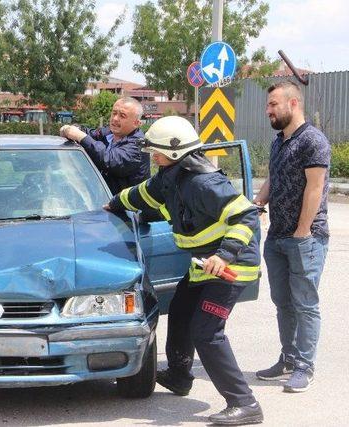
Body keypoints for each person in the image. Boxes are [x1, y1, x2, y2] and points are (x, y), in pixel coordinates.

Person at [104, 116, 263, 425]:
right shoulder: (169, 177)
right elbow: (139, 195)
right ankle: (179, 375)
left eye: (155, 152)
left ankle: (244, 403)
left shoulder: (205, 182)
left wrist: (225, 254)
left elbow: (246, 217)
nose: (152, 157)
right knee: (180, 309)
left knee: (207, 332)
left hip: (232, 266)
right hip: (204, 265)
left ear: (173, 153)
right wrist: (111, 205)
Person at [253, 81, 331, 393]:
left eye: (273, 104)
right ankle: (287, 357)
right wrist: (257, 204)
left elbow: (315, 188)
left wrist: (302, 231)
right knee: (282, 302)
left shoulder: (313, 140)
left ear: (293, 103)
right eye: (268, 105)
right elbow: (273, 178)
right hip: (277, 237)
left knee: (305, 304)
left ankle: (304, 366)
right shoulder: (279, 142)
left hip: (306, 239)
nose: (268, 110)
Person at [59, 97, 150, 194]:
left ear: (136, 123)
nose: (115, 119)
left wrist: (79, 135)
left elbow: (110, 160)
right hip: (102, 200)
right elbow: (90, 133)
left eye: (122, 116)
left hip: (128, 207)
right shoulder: (109, 132)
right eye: (114, 113)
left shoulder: (139, 144)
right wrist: (74, 128)